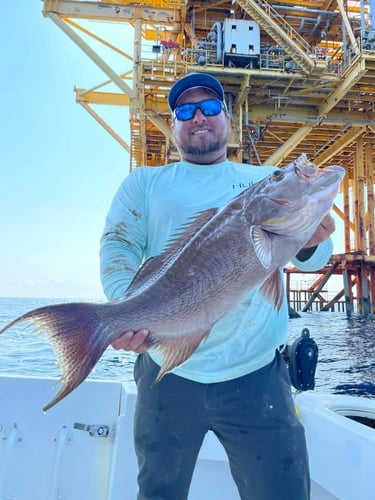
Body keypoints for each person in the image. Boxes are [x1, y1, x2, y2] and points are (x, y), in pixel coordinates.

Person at [100, 72, 335, 500]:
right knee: (158, 493)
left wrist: (310, 239)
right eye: (185, 111)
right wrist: (122, 311)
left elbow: (317, 255)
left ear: (227, 118)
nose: (199, 118)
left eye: (209, 107)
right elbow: (118, 245)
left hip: (257, 374)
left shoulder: (263, 178)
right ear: (173, 125)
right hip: (164, 374)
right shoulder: (145, 183)